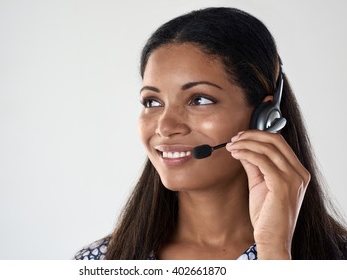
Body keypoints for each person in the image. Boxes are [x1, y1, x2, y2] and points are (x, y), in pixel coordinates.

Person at [74, 7, 347, 260]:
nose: (165, 127)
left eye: (200, 99)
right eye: (152, 102)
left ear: (264, 118)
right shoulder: (101, 260)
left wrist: (274, 251)